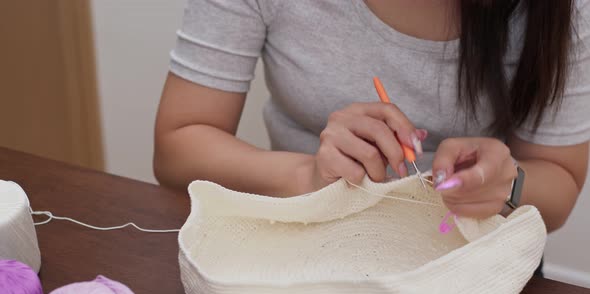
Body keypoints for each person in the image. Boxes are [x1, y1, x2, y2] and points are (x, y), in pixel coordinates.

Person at [153, 0, 590, 234]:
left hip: (477, 264)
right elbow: (177, 151)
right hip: (303, 245)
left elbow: (560, 185)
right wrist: (306, 177)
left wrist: (509, 183)